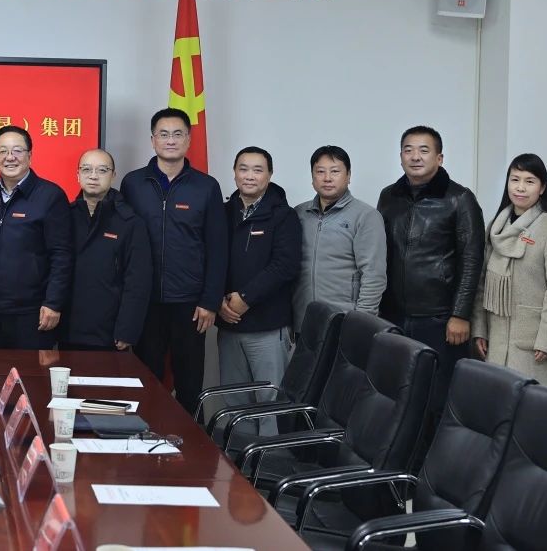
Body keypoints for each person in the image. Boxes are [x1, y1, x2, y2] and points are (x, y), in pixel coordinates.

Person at [120, 107, 227, 415]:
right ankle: (144, 436)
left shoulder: (206, 187)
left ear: (188, 140)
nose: (170, 140)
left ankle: (190, 440)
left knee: (189, 380)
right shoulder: (133, 184)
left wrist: (209, 300)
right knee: (145, 378)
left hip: (190, 303)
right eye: (163, 134)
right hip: (145, 300)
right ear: (153, 140)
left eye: (177, 134)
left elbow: (217, 248)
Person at [377, 125, 483, 392]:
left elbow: (472, 260)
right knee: (396, 390)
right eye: (408, 150)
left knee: (437, 393)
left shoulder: (460, 199)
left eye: (424, 150)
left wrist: (460, 314)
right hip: (393, 314)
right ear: (400, 156)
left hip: (440, 318)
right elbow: (380, 253)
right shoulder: (388, 196)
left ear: (439, 158)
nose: (415, 157)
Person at [217, 147, 300, 434]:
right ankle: (236, 461)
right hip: (228, 324)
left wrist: (245, 298)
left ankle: (268, 462)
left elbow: (285, 266)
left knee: (270, 406)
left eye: (257, 169)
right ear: (234, 173)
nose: (249, 176)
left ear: (269, 175)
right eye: (243, 169)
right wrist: (218, 300)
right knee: (234, 405)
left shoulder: (284, 216)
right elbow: (212, 260)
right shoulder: (223, 213)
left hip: (268, 327)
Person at [472, 154, 547, 387]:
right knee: (496, 401)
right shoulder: (495, 228)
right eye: (515, 179)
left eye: (529, 181)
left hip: (532, 345)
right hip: (494, 340)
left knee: (532, 404)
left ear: (542, 188)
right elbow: (481, 283)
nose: (520, 187)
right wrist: (479, 330)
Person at [0, 125, 73, 349]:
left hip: (32, 312)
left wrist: (53, 303)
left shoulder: (50, 196)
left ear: (30, 155)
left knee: (31, 371)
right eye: (3, 151)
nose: (10, 157)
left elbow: (62, 254)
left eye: (17, 150)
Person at [62, 149, 151, 351]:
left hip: (110, 332)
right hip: (68, 328)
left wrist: (127, 329)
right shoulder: (64, 216)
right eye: (87, 170)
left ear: (113, 175)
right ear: (78, 175)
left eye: (102, 170)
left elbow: (138, 282)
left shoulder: (130, 222)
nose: (93, 176)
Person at [292, 145, 386, 333]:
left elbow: (373, 275)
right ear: (312, 177)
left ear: (348, 176)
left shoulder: (366, 216)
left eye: (335, 171)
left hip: (345, 323)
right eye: (320, 171)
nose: (327, 178)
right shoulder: (299, 213)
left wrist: (361, 322)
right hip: (303, 321)